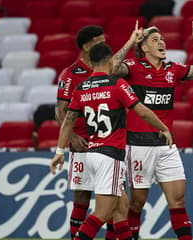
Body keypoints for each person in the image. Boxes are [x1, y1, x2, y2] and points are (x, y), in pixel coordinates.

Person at [50, 42, 173, 240]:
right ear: (110, 61)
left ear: (91, 61)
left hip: (91, 155)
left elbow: (68, 122)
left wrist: (58, 152)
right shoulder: (117, 84)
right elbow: (140, 109)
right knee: (102, 213)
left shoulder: (81, 87)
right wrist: (163, 127)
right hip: (110, 155)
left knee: (120, 209)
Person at [111, 21, 193, 240]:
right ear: (144, 48)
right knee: (137, 203)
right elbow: (111, 68)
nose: (162, 43)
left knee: (178, 200)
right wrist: (131, 41)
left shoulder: (172, 69)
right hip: (138, 145)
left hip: (167, 146)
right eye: (155, 40)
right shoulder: (134, 67)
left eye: (163, 40)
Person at [55, 24, 143, 240]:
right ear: (86, 46)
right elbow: (61, 111)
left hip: (106, 144)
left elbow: (117, 61)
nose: (104, 44)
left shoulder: (105, 68)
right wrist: (73, 138)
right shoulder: (70, 75)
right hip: (84, 144)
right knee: (84, 197)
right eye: (99, 41)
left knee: (116, 203)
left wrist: (132, 41)